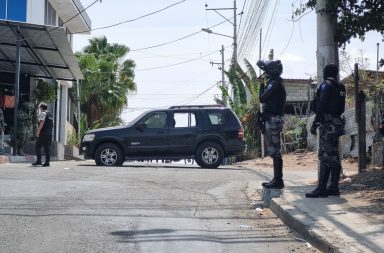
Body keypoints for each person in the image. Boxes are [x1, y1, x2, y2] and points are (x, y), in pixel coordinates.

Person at [306, 64, 346, 198]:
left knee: (324, 156)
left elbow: (322, 103)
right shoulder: (341, 87)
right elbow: (341, 107)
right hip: (337, 123)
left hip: (328, 124)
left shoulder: (326, 85)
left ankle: (321, 188)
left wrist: (316, 122)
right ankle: (334, 187)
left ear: (326, 73)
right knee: (334, 155)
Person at [256, 59, 286, 189]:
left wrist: (262, 85)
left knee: (275, 150)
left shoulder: (274, 83)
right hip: (273, 119)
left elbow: (262, 98)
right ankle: (277, 179)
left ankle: (278, 180)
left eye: (267, 71)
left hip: (273, 120)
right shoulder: (276, 83)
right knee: (274, 150)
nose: (266, 73)